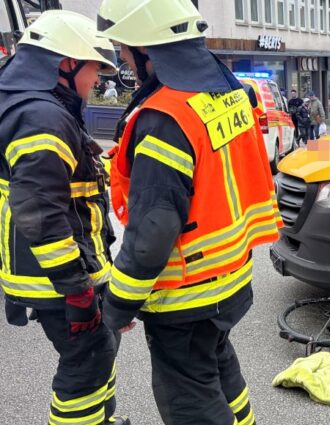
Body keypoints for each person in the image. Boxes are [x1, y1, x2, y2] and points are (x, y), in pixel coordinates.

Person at [97, 0, 281, 423]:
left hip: (187, 291)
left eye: (125, 48)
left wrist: (119, 304)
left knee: (190, 402)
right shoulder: (228, 93)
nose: (122, 57)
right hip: (230, 277)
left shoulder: (165, 118)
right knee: (220, 371)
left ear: (148, 49)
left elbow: (152, 233)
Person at [0, 11, 130, 425]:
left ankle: (101, 418)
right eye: (94, 69)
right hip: (59, 278)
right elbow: (41, 213)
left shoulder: (33, 105)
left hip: (64, 269)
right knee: (87, 363)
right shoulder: (42, 117)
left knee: (101, 350)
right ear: (67, 63)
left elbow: (58, 186)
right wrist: (78, 292)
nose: (97, 82)